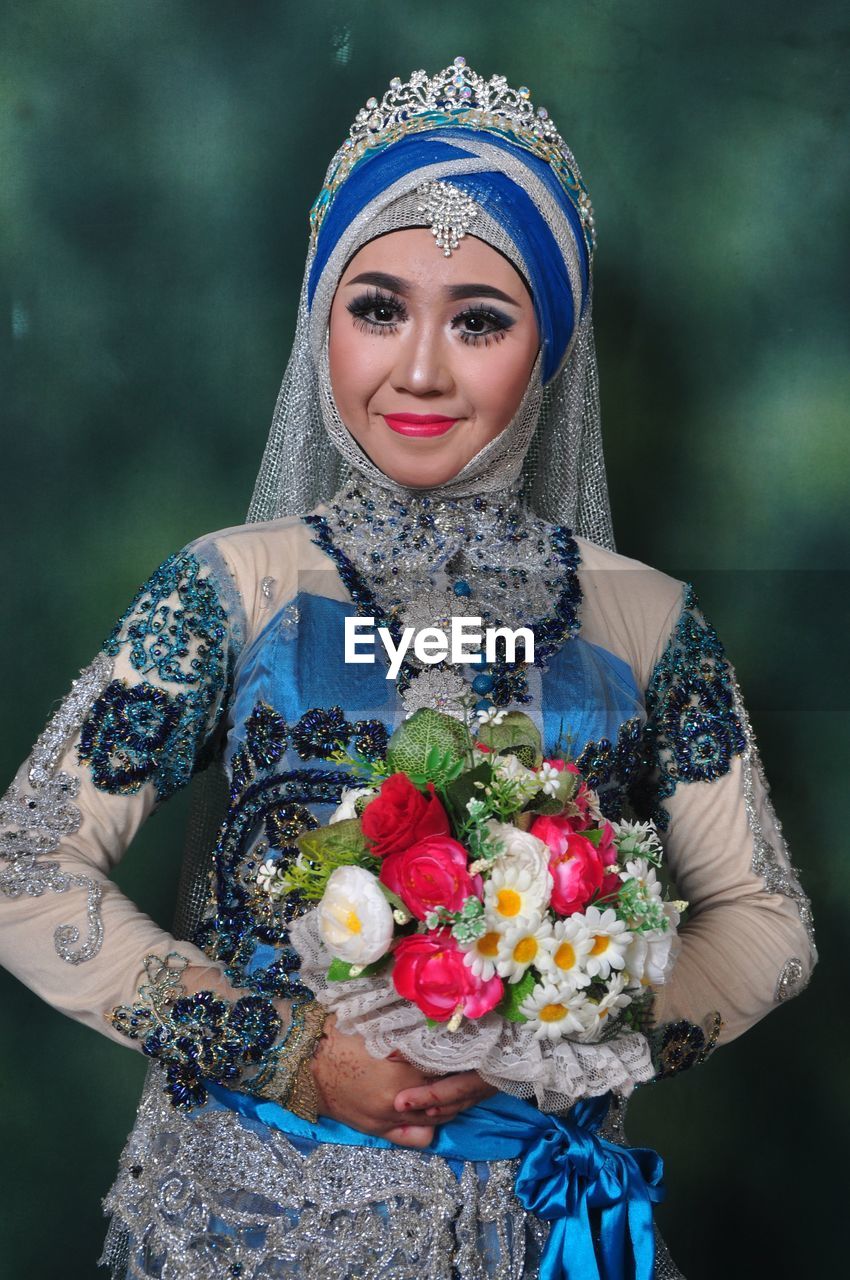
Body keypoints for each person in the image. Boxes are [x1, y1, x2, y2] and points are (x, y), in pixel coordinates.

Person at [0, 58, 816, 1279]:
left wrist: (570, 1031)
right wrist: (288, 1051)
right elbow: (26, 866)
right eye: (377, 306)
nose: (420, 368)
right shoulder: (235, 588)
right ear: (319, 316)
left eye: (479, 319)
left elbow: (770, 926)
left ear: (550, 345)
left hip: (542, 1229)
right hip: (245, 1229)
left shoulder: (645, 621)